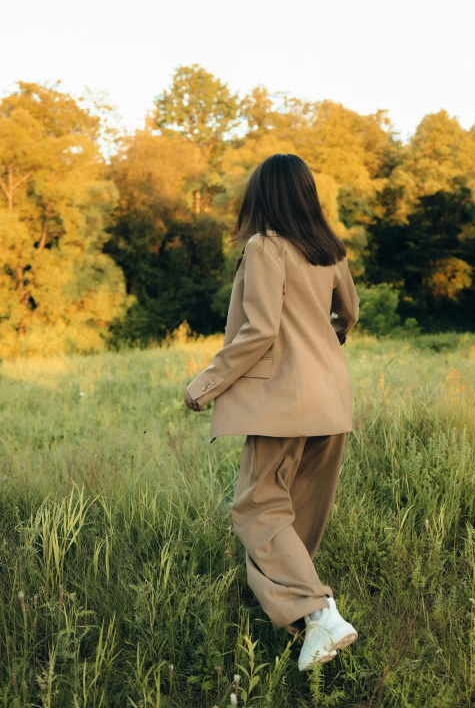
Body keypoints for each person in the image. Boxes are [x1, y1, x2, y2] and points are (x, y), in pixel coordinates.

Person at [184, 153, 360, 672]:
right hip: (330, 404)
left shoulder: (266, 247)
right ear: (306, 194)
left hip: (282, 405)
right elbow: (347, 313)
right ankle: (305, 625)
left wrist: (206, 384)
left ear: (263, 196)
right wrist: (323, 345)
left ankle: (320, 612)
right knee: (295, 515)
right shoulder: (329, 251)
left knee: (258, 507)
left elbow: (257, 331)